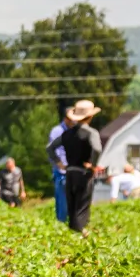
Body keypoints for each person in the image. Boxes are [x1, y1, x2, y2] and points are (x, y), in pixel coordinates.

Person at [46, 99, 103, 235]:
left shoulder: (67, 133)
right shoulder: (91, 133)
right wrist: (93, 165)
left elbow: (50, 148)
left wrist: (59, 163)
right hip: (84, 173)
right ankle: (80, 237)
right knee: (82, 209)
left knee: (72, 209)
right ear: (90, 116)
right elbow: (97, 149)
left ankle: (71, 237)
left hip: (70, 173)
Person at [48, 108, 75, 223]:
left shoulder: (74, 131)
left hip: (73, 172)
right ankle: (62, 227)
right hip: (62, 173)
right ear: (66, 119)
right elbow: (52, 150)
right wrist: (61, 165)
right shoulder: (57, 131)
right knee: (62, 205)